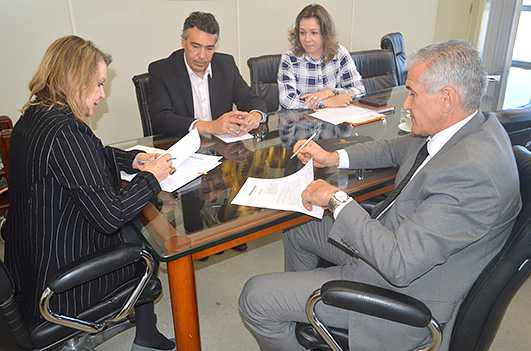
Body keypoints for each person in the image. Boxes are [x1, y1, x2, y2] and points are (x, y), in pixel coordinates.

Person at [239, 40, 521, 351]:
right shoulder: (468, 127)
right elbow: (393, 148)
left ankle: (310, 304)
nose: (407, 104)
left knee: (255, 298)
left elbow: (399, 264)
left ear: (446, 99)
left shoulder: (472, 173)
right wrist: (333, 159)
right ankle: (306, 312)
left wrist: (336, 199)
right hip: (390, 244)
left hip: (400, 292)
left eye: (412, 93)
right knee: (299, 225)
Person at [3, 36, 175, 351]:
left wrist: (133, 160)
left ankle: (146, 333)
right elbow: (110, 217)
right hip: (61, 285)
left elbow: (89, 156)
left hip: (30, 267)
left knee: (135, 219)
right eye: (97, 84)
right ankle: (147, 335)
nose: (101, 95)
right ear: (73, 80)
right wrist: (151, 178)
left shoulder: (35, 116)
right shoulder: (67, 132)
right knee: (144, 235)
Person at [148, 11, 267, 137]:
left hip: (220, 148)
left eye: (209, 48)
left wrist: (255, 115)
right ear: (184, 42)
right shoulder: (162, 70)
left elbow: (250, 99)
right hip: (181, 146)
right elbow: (161, 119)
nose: (202, 56)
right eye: (196, 46)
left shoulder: (226, 65)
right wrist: (210, 126)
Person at [278, 4, 365, 110]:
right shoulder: (289, 59)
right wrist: (326, 102)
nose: (307, 39)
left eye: (314, 33)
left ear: (325, 33)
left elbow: (359, 90)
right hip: (300, 123)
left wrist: (330, 92)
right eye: (302, 33)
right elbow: (287, 100)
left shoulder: (340, 53)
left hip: (333, 121)